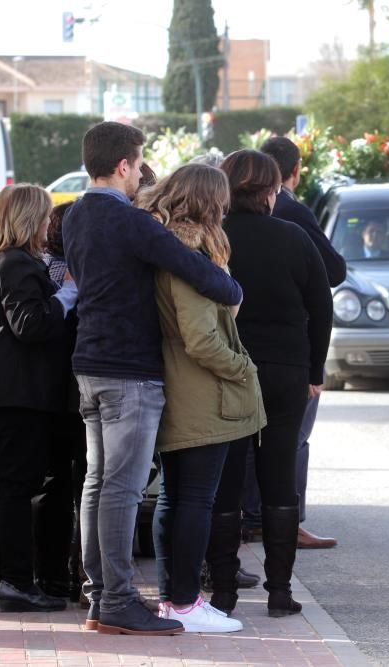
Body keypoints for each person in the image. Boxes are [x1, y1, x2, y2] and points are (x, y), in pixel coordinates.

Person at [63, 121, 243, 636]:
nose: (142, 173)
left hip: (90, 363)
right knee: (120, 489)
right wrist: (232, 290)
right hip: (129, 371)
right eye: (139, 164)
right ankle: (118, 599)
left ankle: (102, 594)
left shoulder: (75, 214)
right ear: (123, 166)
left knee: (98, 485)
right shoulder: (128, 220)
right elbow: (193, 267)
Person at [137, 163, 265, 633]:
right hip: (199, 390)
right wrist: (244, 368)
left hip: (182, 386)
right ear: (208, 202)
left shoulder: (167, 247)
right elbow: (202, 340)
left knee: (176, 499)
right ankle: (186, 603)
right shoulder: (188, 254)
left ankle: (177, 602)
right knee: (192, 501)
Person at [220, 149, 333, 617]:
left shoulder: (215, 240)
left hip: (227, 369)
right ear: (271, 190)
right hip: (286, 371)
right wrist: (314, 372)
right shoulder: (292, 237)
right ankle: (280, 591)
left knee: (225, 479)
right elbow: (322, 306)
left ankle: (223, 591)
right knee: (278, 477)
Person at [0, 184, 78, 613]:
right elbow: (31, 325)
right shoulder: (18, 265)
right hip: (20, 396)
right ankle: (17, 582)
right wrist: (66, 296)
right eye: (45, 217)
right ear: (29, 219)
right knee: (16, 488)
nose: (49, 225)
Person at [253, 136, 346, 550]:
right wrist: (314, 369)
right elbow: (333, 274)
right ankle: (287, 524)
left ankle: (253, 519)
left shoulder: (225, 221)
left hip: (239, 353)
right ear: (292, 172)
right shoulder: (291, 214)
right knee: (293, 440)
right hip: (290, 352)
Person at [34, 201, 88, 602]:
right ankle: (83, 573)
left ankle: (51, 575)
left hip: (49, 394)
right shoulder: (82, 271)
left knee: (54, 485)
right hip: (81, 390)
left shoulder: (41, 269)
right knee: (90, 485)